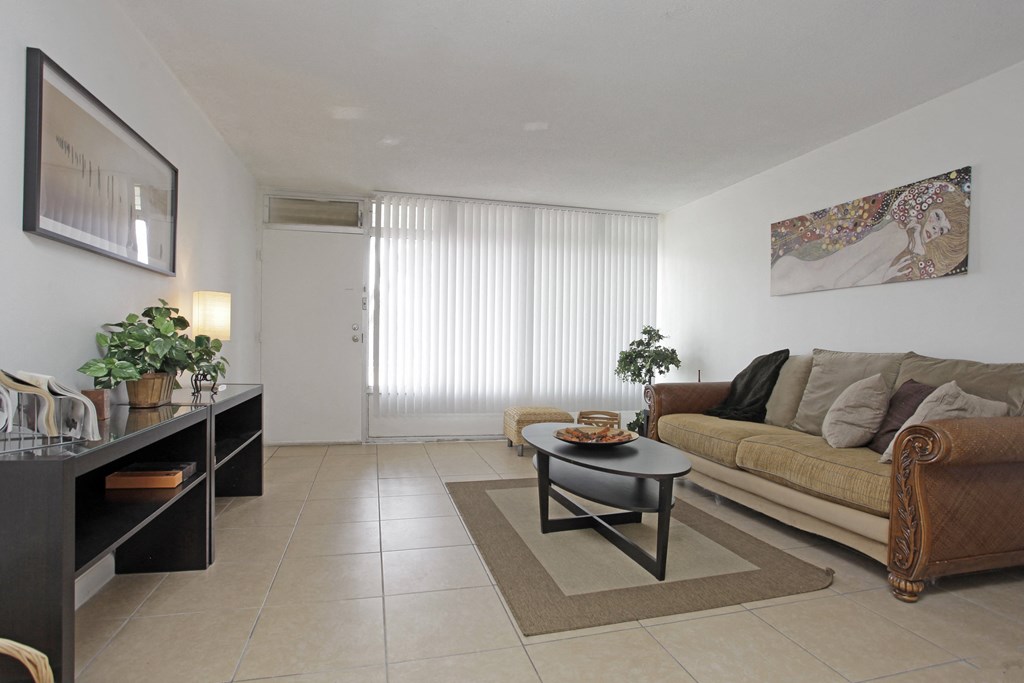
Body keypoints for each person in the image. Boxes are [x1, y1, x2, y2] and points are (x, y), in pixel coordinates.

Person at [771, 181, 969, 295]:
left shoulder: (898, 233)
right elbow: (842, 282)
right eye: (937, 217)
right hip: (799, 280)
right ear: (926, 207)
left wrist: (885, 276)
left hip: (794, 271)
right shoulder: (899, 238)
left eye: (943, 231)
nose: (936, 229)